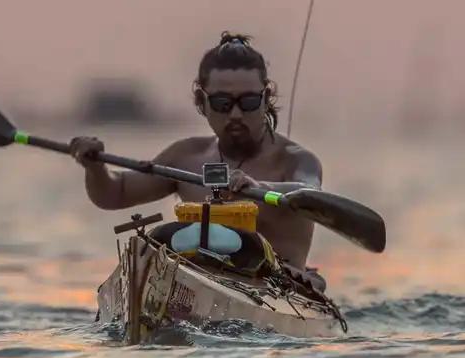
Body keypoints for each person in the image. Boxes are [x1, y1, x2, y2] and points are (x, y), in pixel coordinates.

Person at [70, 32, 324, 271]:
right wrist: (95, 168)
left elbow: (309, 193)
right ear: (202, 102)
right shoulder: (186, 158)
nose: (235, 114)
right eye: (222, 103)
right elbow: (114, 194)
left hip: (282, 292)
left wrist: (258, 188)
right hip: (197, 289)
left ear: (266, 98)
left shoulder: (295, 160)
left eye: (248, 102)